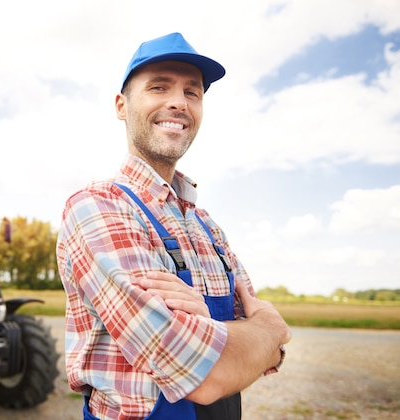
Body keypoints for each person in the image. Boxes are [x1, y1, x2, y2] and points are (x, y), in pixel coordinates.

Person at [56, 32, 291, 420]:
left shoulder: (208, 227)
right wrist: (266, 328)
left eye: (192, 92)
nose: (178, 102)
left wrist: (220, 330)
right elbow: (207, 374)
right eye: (159, 87)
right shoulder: (97, 208)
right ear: (121, 105)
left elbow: (270, 356)